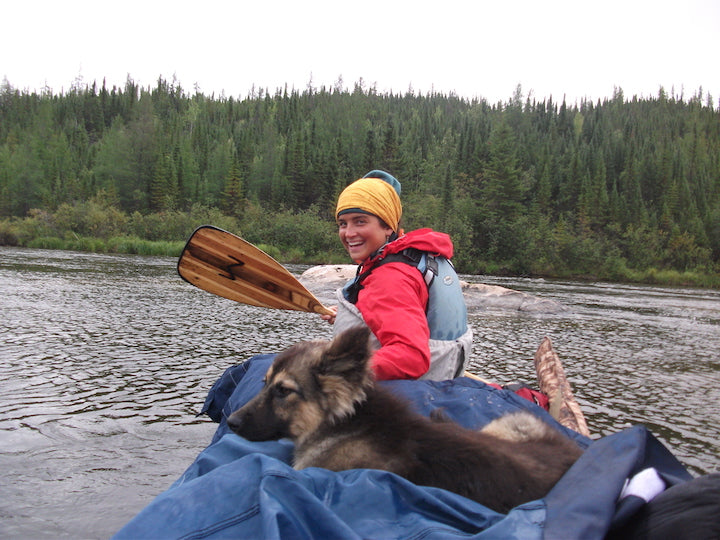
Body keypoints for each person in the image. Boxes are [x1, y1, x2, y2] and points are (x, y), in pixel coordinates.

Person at [321, 170, 473, 381]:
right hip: (442, 382)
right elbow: (404, 312)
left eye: (360, 221)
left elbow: (411, 356)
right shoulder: (413, 258)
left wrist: (335, 372)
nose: (348, 233)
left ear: (387, 227)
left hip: (405, 395)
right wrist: (350, 318)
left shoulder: (390, 277)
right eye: (343, 223)